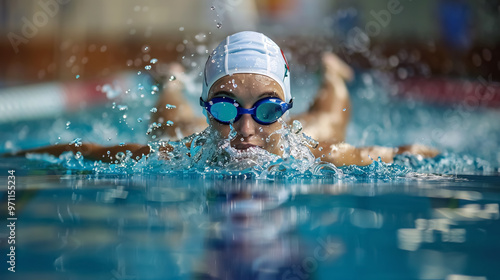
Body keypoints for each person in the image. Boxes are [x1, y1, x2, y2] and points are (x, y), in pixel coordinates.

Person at [10, 31, 438, 167]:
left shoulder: (316, 155)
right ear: (209, 105)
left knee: (327, 119)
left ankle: (332, 72)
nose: (245, 129)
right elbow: (83, 151)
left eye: (269, 108)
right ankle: (170, 85)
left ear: (285, 107)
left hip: (306, 135)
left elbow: (393, 154)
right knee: (173, 128)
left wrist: (412, 153)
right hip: (193, 135)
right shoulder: (181, 157)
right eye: (225, 106)